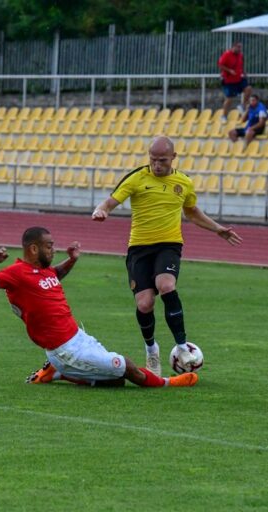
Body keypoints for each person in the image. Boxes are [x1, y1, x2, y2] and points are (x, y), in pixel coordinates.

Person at [0, 226, 199, 387]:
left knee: (116, 381)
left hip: (79, 337)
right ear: (33, 249)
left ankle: (57, 373)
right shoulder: (16, 273)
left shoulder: (43, 270)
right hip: (65, 351)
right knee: (127, 367)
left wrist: (71, 260)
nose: (53, 250)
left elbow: (55, 275)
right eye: (49, 246)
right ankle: (168, 383)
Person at [91, 136, 242, 376]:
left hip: (169, 245)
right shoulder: (137, 178)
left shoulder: (184, 182)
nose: (157, 164)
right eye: (153, 159)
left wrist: (217, 229)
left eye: (162, 160)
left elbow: (192, 212)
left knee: (167, 286)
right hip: (139, 248)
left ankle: (182, 348)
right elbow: (110, 202)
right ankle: (151, 350)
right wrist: (101, 210)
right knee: (145, 304)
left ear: (173, 157)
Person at [218, 41, 253, 123]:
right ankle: (224, 116)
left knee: (248, 89)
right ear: (233, 47)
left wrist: (243, 72)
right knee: (229, 99)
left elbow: (240, 65)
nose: (240, 49)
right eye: (238, 47)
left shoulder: (240, 55)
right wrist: (229, 70)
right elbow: (220, 65)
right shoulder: (226, 54)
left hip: (238, 78)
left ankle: (242, 105)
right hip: (229, 80)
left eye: (241, 47)